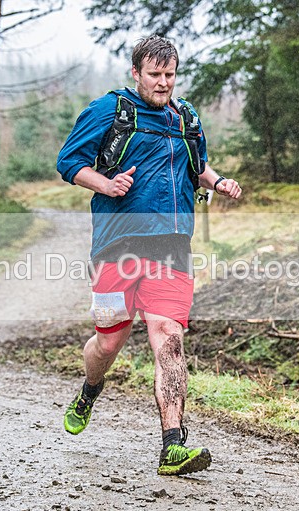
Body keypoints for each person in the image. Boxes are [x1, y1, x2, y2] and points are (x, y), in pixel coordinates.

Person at [56, 35, 242, 476]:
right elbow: (69, 161)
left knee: (168, 337)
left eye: (170, 75)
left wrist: (217, 182)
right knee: (109, 341)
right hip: (117, 245)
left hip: (173, 245)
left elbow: (197, 167)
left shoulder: (186, 117)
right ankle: (90, 389)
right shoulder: (110, 110)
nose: (163, 83)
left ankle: (173, 446)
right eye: (154, 75)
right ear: (135, 73)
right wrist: (107, 184)